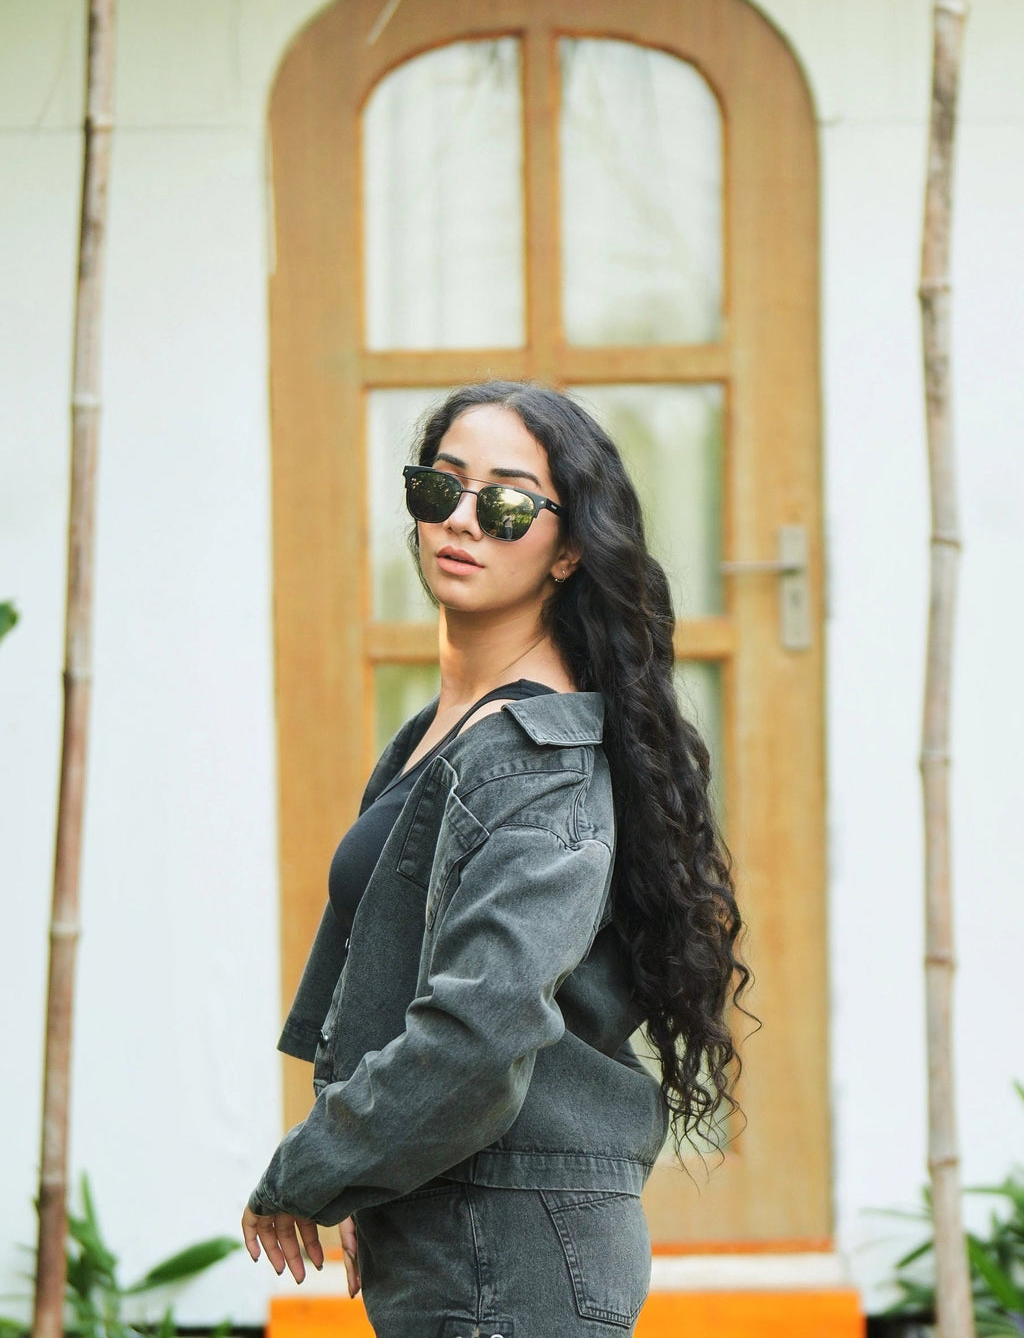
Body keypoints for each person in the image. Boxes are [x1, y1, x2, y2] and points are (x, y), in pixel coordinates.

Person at [242, 382, 750, 1338]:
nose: (463, 520)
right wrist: (371, 1165)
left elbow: (482, 1028)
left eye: (508, 500)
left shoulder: (536, 762)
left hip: (507, 1247)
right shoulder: (444, 735)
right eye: (441, 489)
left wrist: (312, 1168)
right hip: (462, 1232)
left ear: (567, 550)